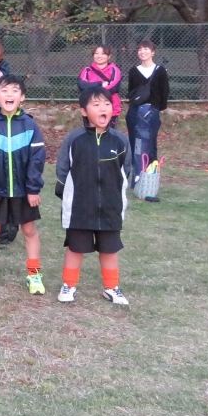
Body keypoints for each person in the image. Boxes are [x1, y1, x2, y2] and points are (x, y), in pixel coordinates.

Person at [54, 87, 133, 305]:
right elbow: (62, 170)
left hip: (110, 206)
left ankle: (111, 288)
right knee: (76, 247)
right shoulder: (74, 139)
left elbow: (125, 170)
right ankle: (69, 285)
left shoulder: (120, 140)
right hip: (80, 206)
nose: (102, 108)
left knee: (110, 249)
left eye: (106, 104)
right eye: (96, 105)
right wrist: (68, 194)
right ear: (84, 111)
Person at [0, 75, 46, 295]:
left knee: (29, 230)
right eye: (4, 90)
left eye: (15, 90)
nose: (9, 94)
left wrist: (33, 189)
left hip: (23, 191)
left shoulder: (30, 125)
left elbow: (37, 159)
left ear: (22, 96)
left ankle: (34, 275)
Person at [125, 40, 169, 199]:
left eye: (146, 49)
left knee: (150, 145)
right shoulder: (134, 71)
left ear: (153, 52)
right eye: (140, 49)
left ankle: (149, 179)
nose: (142, 52)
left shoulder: (160, 71)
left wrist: (154, 108)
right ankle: (136, 178)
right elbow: (131, 92)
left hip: (152, 113)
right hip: (135, 113)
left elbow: (164, 94)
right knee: (135, 145)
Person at [78, 45, 122, 121]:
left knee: (108, 129)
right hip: (91, 109)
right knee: (91, 129)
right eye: (96, 53)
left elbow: (113, 88)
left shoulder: (115, 70)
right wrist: (100, 85)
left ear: (109, 56)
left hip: (111, 109)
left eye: (103, 53)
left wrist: (91, 89)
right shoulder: (87, 70)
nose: (99, 56)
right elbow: (82, 85)